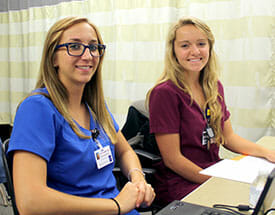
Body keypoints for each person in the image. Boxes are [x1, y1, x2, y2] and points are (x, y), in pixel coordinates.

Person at [7, 16, 155, 215]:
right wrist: (117, 205)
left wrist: (138, 179)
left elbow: (125, 151)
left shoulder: (94, 106)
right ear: (53, 58)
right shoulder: (37, 108)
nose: (88, 56)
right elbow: (30, 202)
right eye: (74, 46)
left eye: (93, 47)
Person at [146, 16, 275, 206]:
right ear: (173, 50)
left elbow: (229, 138)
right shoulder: (164, 93)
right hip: (180, 181)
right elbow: (173, 160)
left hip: (213, 169)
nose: (195, 51)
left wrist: (266, 153)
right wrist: (215, 182)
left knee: (261, 195)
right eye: (185, 45)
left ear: (210, 48)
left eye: (201, 43)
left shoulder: (213, 87)